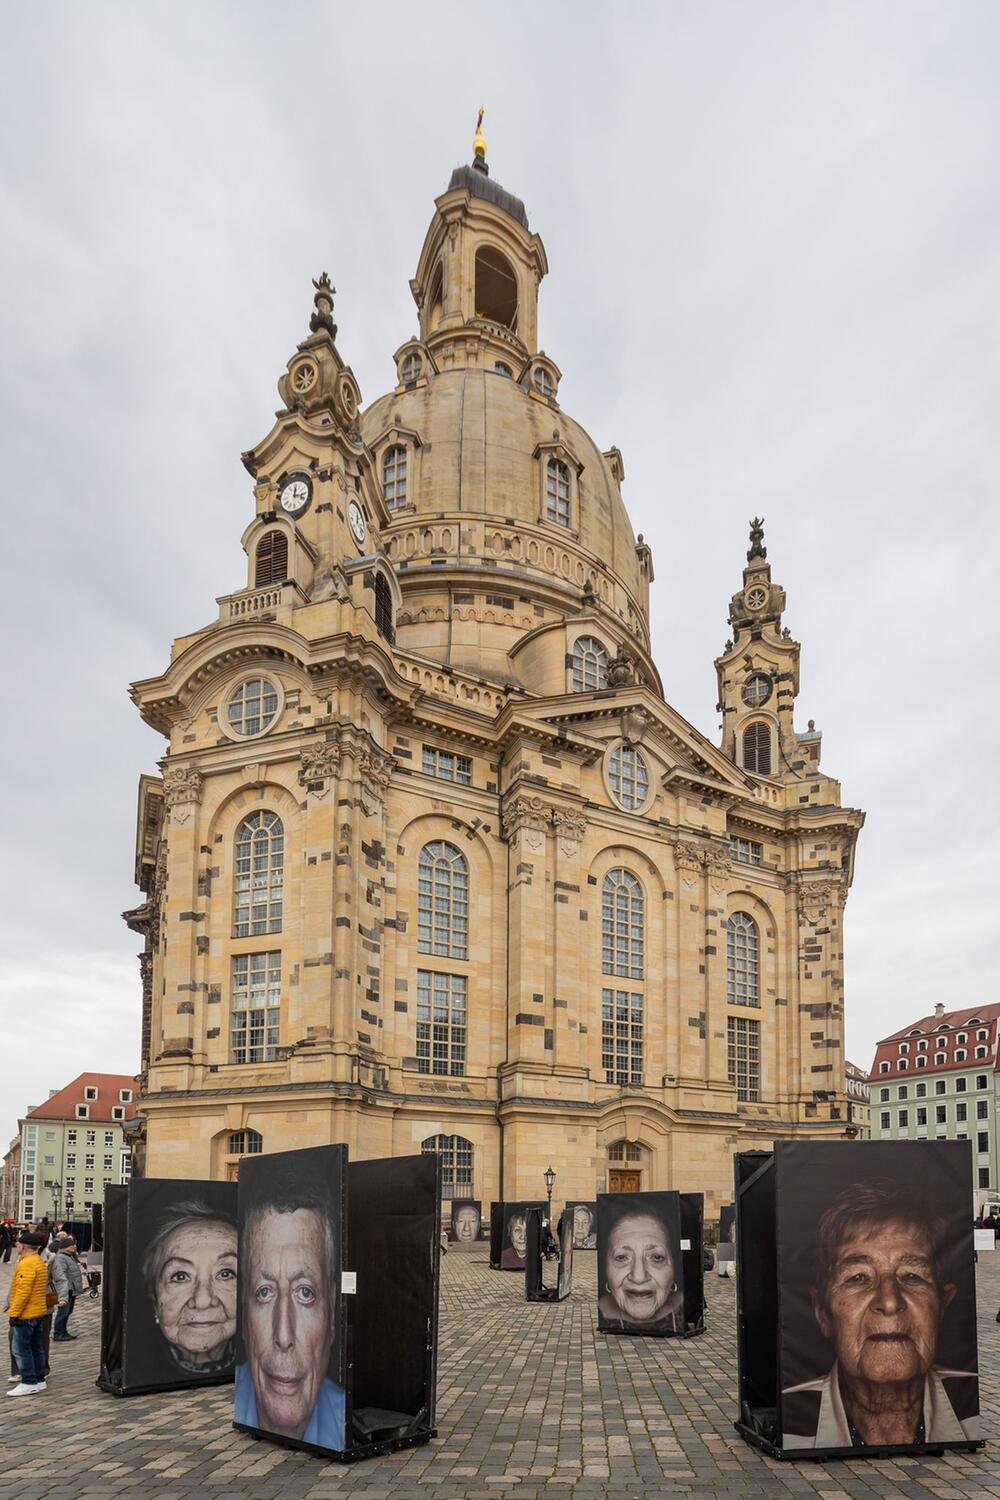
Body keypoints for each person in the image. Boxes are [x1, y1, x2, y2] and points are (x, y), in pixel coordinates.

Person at [782, 1179, 979, 1448]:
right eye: (858, 1278)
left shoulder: (970, 1411)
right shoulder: (790, 1423)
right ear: (823, 1312)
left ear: (942, 1303)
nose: (889, 1302)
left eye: (911, 1276)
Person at [235, 1158, 344, 1449]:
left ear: (332, 1313)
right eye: (264, 1292)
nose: (283, 1335)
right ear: (243, 1312)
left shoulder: (350, 1425)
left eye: (305, 1293)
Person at [141, 1199, 237, 1376]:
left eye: (225, 1273)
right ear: (155, 1300)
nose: (202, 1300)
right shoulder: (140, 1373)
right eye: (180, 1276)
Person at [599, 1206, 683, 1330]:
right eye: (622, 1257)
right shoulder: (601, 1317)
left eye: (656, 1257)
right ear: (606, 1267)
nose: (639, 1277)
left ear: (674, 1266)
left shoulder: (689, 1312)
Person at [6, 1231, 50, 1396]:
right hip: (38, 1312)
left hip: (27, 1314)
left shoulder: (27, 1264)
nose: (16, 1246)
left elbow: (23, 1291)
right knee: (36, 1347)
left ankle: (28, 1381)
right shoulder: (38, 1261)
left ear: (23, 1246)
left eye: (17, 1243)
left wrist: (14, 1314)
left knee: (20, 1349)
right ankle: (39, 1380)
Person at [50, 1234, 84, 1341]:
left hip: (71, 1290)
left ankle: (63, 1332)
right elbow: (61, 1275)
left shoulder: (69, 1256)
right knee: (63, 1312)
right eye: (72, 1245)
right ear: (65, 1247)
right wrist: (66, 1290)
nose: (74, 1247)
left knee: (67, 1312)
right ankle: (58, 1333)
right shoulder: (61, 1258)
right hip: (67, 1290)